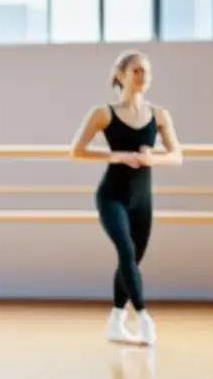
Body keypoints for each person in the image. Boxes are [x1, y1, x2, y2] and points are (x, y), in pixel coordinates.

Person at [70, 51, 183, 347]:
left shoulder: (159, 115)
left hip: (142, 200)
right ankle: (144, 318)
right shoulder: (103, 113)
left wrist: (152, 158)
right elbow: (76, 150)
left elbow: (177, 155)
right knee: (125, 249)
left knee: (131, 259)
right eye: (136, 70)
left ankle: (116, 320)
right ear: (120, 74)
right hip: (112, 197)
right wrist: (117, 155)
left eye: (146, 71)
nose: (142, 76)